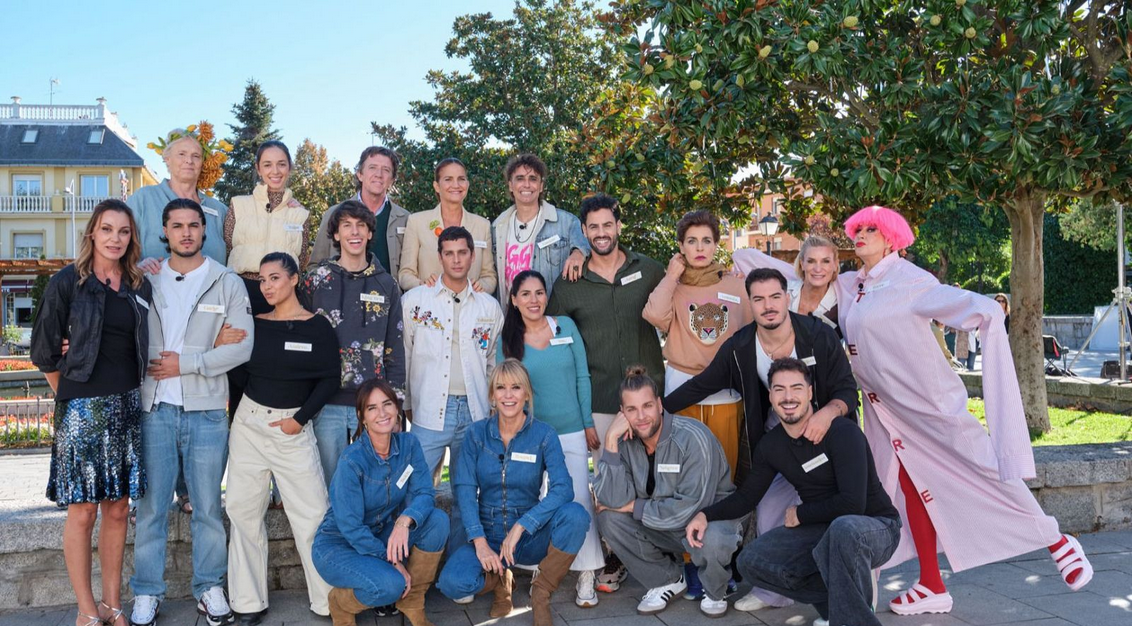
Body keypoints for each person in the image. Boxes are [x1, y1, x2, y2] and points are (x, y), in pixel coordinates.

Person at [836, 205, 1092, 615]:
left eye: (871, 229)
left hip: (930, 406)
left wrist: (990, 318)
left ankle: (1057, 541)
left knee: (983, 468)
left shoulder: (911, 281)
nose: (860, 235)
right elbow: (764, 269)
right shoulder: (852, 285)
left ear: (891, 239)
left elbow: (982, 310)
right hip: (886, 413)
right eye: (857, 229)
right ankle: (931, 584)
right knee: (908, 488)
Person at [662, 266, 859, 613]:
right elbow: (700, 385)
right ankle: (773, 591)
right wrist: (650, 413)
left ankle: (846, 592)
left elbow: (846, 389)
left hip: (825, 439)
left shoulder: (818, 336)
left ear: (787, 297)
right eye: (759, 299)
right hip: (777, 443)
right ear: (749, 303)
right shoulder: (740, 346)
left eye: (775, 296)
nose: (768, 305)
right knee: (768, 514)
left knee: (834, 518)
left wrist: (827, 414)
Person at [687, 358, 901, 626]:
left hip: (875, 527)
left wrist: (801, 513)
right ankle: (841, 602)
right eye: (780, 389)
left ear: (810, 393)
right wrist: (705, 515)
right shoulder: (772, 445)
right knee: (751, 561)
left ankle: (852, 617)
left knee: (844, 529)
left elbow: (853, 504)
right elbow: (746, 498)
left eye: (796, 388)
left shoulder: (843, 433)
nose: (788, 397)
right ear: (771, 396)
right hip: (824, 531)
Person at [129, 199, 254, 626]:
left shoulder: (226, 281)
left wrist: (188, 362)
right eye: (177, 225)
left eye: (194, 225)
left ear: (204, 230)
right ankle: (147, 592)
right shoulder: (146, 279)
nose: (186, 232)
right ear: (165, 231)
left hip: (207, 412)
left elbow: (242, 346)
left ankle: (209, 587)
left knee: (207, 508)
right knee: (151, 509)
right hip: (156, 409)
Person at [31, 199, 151, 626]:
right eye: (107, 229)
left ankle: (111, 604)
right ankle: (86, 610)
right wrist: (71, 397)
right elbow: (43, 352)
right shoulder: (67, 282)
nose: (115, 238)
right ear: (92, 234)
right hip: (81, 410)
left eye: (123, 231)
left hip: (127, 406)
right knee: (83, 511)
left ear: (131, 238)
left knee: (117, 509)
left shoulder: (138, 285)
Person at [546, 193, 665, 593]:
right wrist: (577, 415)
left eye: (607, 225)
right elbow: (556, 346)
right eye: (593, 227)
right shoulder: (569, 283)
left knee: (654, 480)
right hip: (598, 401)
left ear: (618, 225)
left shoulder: (649, 270)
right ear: (583, 231)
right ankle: (613, 556)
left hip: (649, 401)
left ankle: (659, 552)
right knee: (608, 484)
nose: (601, 233)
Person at [225, 252, 340, 624]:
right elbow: (236, 371)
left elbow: (329, 379)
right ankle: (247, 601)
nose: (267, 286)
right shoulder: (254, 324)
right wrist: (221, 341)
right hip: (249, 426)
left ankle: (328, 602)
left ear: (294, 279)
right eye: (262, 280)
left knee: (312, 514)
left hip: (292, 430)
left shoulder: (318, 327)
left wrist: (299, 419)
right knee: (242, 511)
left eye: (274, 277)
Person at [437, 359, 589, 626]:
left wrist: (523, 525)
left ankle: (541, 593)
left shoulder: (544, 434)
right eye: (501, 387)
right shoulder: (476, 435)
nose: (508, 395)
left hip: (529, 536)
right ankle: (500, 579)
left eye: (516, 387)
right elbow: (464, 489)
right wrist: (480, 543)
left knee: (576, 516)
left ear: (527, 393)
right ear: (492, 395)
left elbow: (563, 488)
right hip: (487, 532)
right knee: (453, 584)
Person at [593, 365, 741, 617]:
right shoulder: (624, 443)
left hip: (706, 523)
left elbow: (690, 509)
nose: (641, 416)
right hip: (661, 523)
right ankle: (667, 579)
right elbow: (611, 500)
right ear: (622, 413)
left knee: (713, 537)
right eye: (631, 409)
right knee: (609, 519)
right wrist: (610, 441)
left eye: (647, 406)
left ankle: (716, 587)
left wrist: (632, 506)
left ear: (660, 405)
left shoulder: (693, 438)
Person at [498, 269, 605, 607]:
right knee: (537, 503)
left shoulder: (566, 327)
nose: (534, 300)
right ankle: (540, 574)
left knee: (578, 500)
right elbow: (506, 392)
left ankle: (586, 572)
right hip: (531, 435)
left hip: (572, 430)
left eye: (539, 293)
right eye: (526, 294)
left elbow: (582, 376)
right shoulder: (508, 341)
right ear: (514, 300)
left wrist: (587, 422)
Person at [312, 379, 449, 626]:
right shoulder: (352, 460)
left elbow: (425, 493)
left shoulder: (409, 445)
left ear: (396, 408)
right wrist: (392, 561)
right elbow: (351, 527)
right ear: (362, 417)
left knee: (437, 521)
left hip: (381, 532)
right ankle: (340, 603)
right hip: (339, 544)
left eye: (387, 404)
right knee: (390, 585)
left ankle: (412, 601)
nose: (382, 413)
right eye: (372, 408)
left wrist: (405, 521)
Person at [299, 199, 405, 484]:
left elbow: (394, 348)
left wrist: (395, 407)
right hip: (326, 404)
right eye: (346, 226)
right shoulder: (315, 281)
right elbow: (302, 341)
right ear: (336, 234)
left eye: (361, 226)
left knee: (373, 484)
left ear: (370, 233)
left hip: (373, 405)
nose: (354, 232)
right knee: (330, 486)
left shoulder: (387, 285)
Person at [643, 209, 751, 477]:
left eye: (706, 240)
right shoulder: (673, 286)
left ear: (716, 245)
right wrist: (670, 277)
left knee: (725, 466)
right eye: (692, 241)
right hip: (682, 387)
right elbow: (654, 315)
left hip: (725, 392)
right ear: (681, 247)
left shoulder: (737, 286)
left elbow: (750, 334)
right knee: (684, 468)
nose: (700, 248)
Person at [402, 226, 503, 483]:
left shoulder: (489, 307)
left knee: (467, 489)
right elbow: (405, 355)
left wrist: (493, 405)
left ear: (472, 256)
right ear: (440, 257)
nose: (456, 260)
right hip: (429, 407)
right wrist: (407, 403)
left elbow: (493, 362)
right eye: (449, 253)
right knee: (416, 486)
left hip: (475, 410)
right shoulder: (415, 302)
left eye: (462, 252)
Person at [225, 140, 310, 315]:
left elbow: (300, 260)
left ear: (289, 167)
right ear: (258, 169)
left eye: (281, 164)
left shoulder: (300, 214)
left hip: (283, 296)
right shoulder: (238, 205)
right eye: (267, 164)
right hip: (241, 292)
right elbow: (228, 248)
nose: (275, 171)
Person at [491, 153, 588, 299]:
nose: (527, 184)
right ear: (511, 185)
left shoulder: (566, 222)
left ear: (541, 186)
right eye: (520, 178)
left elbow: (587, 247)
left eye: (533, 179)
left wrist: (578, 253)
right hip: (509, 312)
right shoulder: (497, 228)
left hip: (551, 310)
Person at [130, 128, 229, 266]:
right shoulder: (143, 200)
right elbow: (119, 246)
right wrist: (137, 268)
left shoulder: (220, 210)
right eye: (182, 154)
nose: (189, 160)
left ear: (203, 162)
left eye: (196, 156)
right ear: (167, 159)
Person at [398, 158, 497, 294]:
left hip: (470, 304)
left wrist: (480, 287)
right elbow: (405, 275)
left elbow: (489, 277)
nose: (456, 185)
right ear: (436, 186)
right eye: (448, 179)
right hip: (429, 303)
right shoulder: (416, 222)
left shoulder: (482, 225)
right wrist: (422, 285)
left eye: (461, 179)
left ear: (467, 184)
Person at [309, 146, 410, 276]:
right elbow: (316, 265)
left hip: (390, 289)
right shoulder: (333, 214)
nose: (379, 174)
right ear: (360, 174)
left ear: (392, 180)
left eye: (386, 170)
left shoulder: (405, 219)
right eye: (372, 167)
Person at [733, 235, 842, 335]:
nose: (818, 269)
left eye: (825, 261)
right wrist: (736, 282)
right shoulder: (783, 289)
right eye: (811, 261)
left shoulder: (842, 303)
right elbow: (740, 255)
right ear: (802, 264)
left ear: (835, 265)